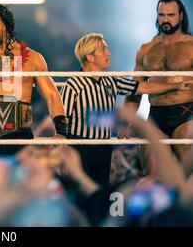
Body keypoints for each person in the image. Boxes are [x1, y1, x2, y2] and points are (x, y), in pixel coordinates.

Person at [0, 3, 68, 206]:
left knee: (20, 201)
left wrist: (61, 131)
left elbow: (52, 96)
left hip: (18, 138)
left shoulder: (33, 59)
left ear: (6, 28)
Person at [61, 33, 190, 185]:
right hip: (80, 146)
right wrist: (63, 148)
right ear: (90, 57)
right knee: (79, 188)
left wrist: (175, 85)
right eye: (103, 50)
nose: (108, 53)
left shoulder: (111, 80)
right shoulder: (73, 85)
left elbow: (143, 87)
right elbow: (63, 118)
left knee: (100, 189)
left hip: (103, 146)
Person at [124, 0, 193, 174]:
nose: (165, 20)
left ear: (181, 16)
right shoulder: (146, 50)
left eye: (170, 15)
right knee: (151, 173)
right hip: (156, 115)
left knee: (189, 173)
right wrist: (127, 121)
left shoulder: (191, 46)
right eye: (162, 15)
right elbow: (135, 88)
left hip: (186, 114)